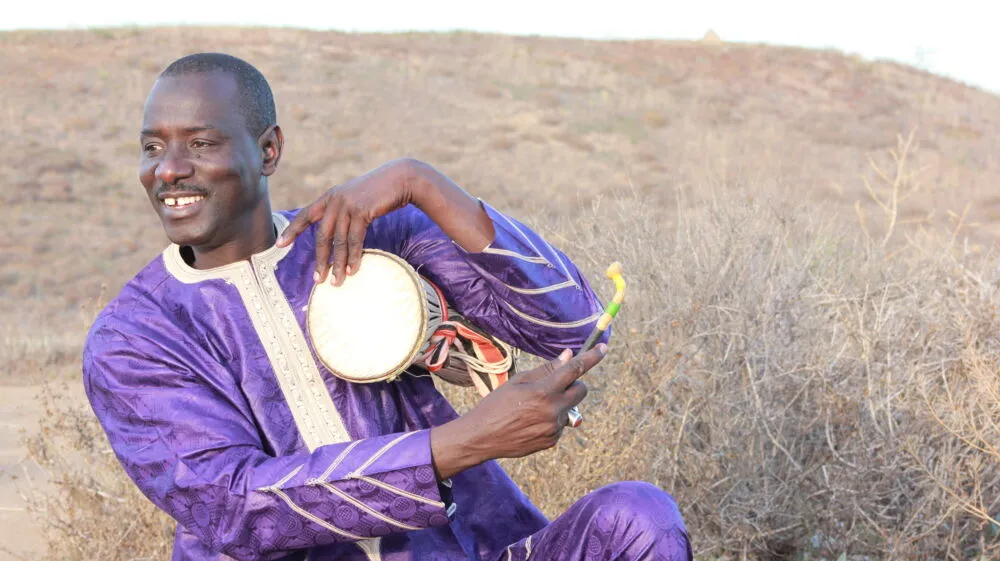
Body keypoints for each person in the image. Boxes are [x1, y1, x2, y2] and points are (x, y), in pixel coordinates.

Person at [82, 52, 692, 561]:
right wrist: (464, 443)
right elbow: (236, 504)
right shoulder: (134, 338)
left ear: (268, 150)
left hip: (465, 550)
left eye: (201, 142)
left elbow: (573, 322)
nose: (170, 170)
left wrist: (420, 183)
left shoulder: (364, 235)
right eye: (152, 147)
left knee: (638, 519)